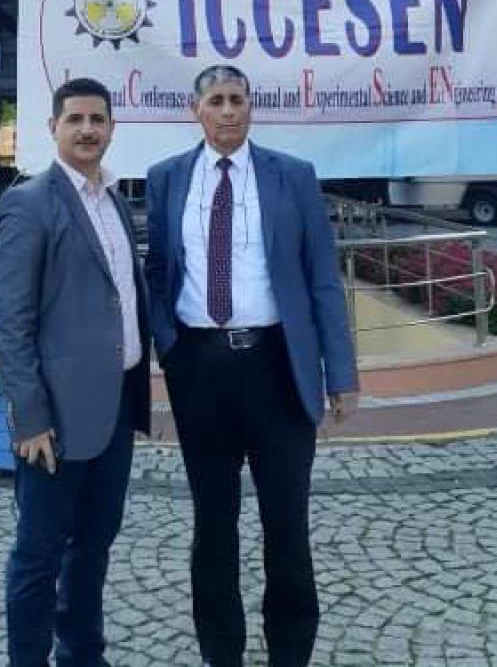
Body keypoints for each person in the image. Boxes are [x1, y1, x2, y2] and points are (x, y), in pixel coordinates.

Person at [145, 64, 359, 667]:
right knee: (213, 523)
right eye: (215, 100)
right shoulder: (166, 179)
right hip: (200, 372)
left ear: (251, 106)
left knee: (286, 522)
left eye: (237, 99)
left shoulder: (292, 176)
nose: (228, 111)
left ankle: (290, 652)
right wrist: (170, 345)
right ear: (195, 110)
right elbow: (158, 270)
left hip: (277, 370)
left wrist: (340, 374)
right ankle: (222, 653)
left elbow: (322, 278)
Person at [0, 76, 151, 667]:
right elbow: (11, 320)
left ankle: (83, 654)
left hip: (115, 410)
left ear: (111, 128)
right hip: (54, 422)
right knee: (38, 556)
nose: (88, 129)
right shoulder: (29, 204)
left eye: (97, 119)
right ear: (53, 127)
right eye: (76, 119)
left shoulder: (114, 201)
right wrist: (30, 417)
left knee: (93, 546)